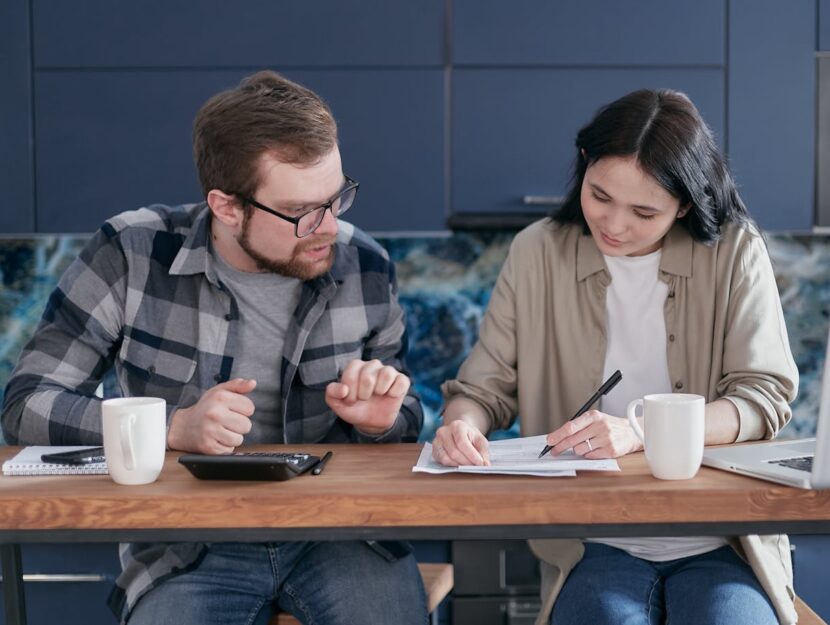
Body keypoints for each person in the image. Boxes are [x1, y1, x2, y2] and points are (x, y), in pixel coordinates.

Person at [1, 70, 428, 625]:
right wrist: (171, 429)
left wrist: (382, 421)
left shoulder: (366, 265)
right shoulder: (131, 253)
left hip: (338, 530)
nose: (330, 227)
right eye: (302, 212)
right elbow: (26, 405)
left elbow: (410, 417)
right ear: (227, 207)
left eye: (337, 197)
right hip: (184, 542)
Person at [433, 89, 799, 625]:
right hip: (592, 539)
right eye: (600, 195)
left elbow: (763, 398)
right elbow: (483, 389)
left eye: (644, 211)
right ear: (583, 163)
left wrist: (643, 429)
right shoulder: (537, 251)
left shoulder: (736, 252)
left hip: (722, 537)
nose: (614, 225)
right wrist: (460, 426)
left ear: (687, 205)